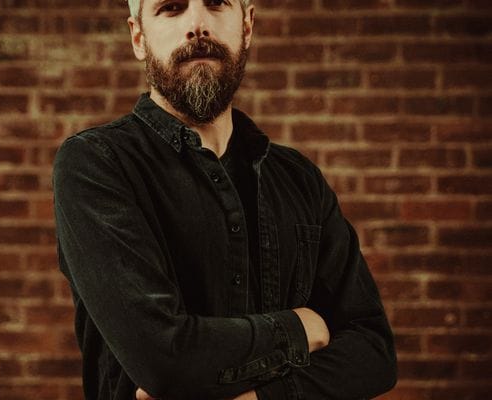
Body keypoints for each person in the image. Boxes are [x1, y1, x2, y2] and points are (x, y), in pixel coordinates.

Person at [52, 0, 397, 399]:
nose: (197, 25)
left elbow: (373, 352)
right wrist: (300, 328)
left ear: (246, 26)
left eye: (217, 3)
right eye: (171, 8)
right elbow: (163, 357)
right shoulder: (96, 164)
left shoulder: (299, 179)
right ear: (138, 37)